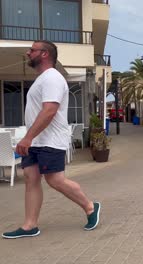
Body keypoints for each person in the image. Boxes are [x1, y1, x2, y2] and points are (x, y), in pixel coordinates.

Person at [2, 41, 101, 239]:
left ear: (45, 54)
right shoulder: (41, 79)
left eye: (32, 50)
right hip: (36, 141)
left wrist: (27, 138)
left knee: (55, 180)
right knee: (31, 179)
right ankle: (30, 226)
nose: (28, 53)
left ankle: (90, 207)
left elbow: (49, 111)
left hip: (50, 140)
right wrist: (30, 138)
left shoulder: (53, 78)